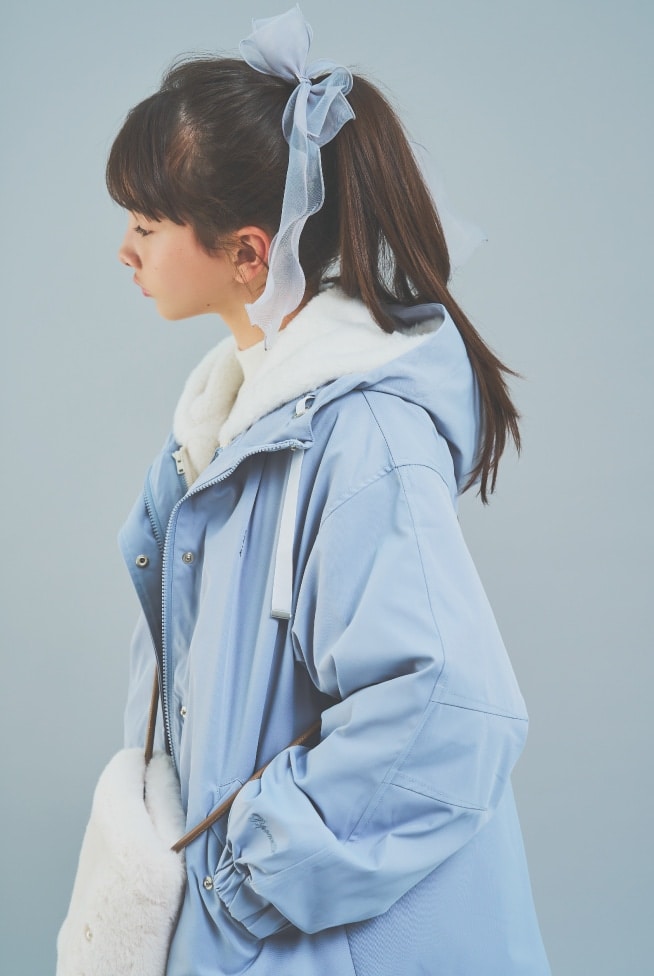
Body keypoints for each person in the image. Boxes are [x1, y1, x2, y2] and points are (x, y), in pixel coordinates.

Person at [108, 7, 550, 974]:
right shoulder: (224, 430)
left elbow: (450, 709)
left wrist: (243, 873)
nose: (125, 251)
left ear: (247, 253)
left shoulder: (359, 438)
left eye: (146, 224)